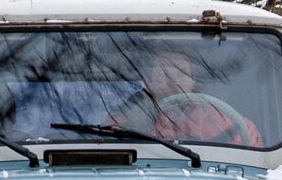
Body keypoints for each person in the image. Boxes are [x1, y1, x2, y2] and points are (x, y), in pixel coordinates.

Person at [110, 49, 263, 146]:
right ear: (148, 81)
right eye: (164, 74)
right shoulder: (128, 116)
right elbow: (107, 147)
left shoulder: (221, 119)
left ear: (192, 80)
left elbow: (250, 147)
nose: (174, 81)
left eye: (181, 73)